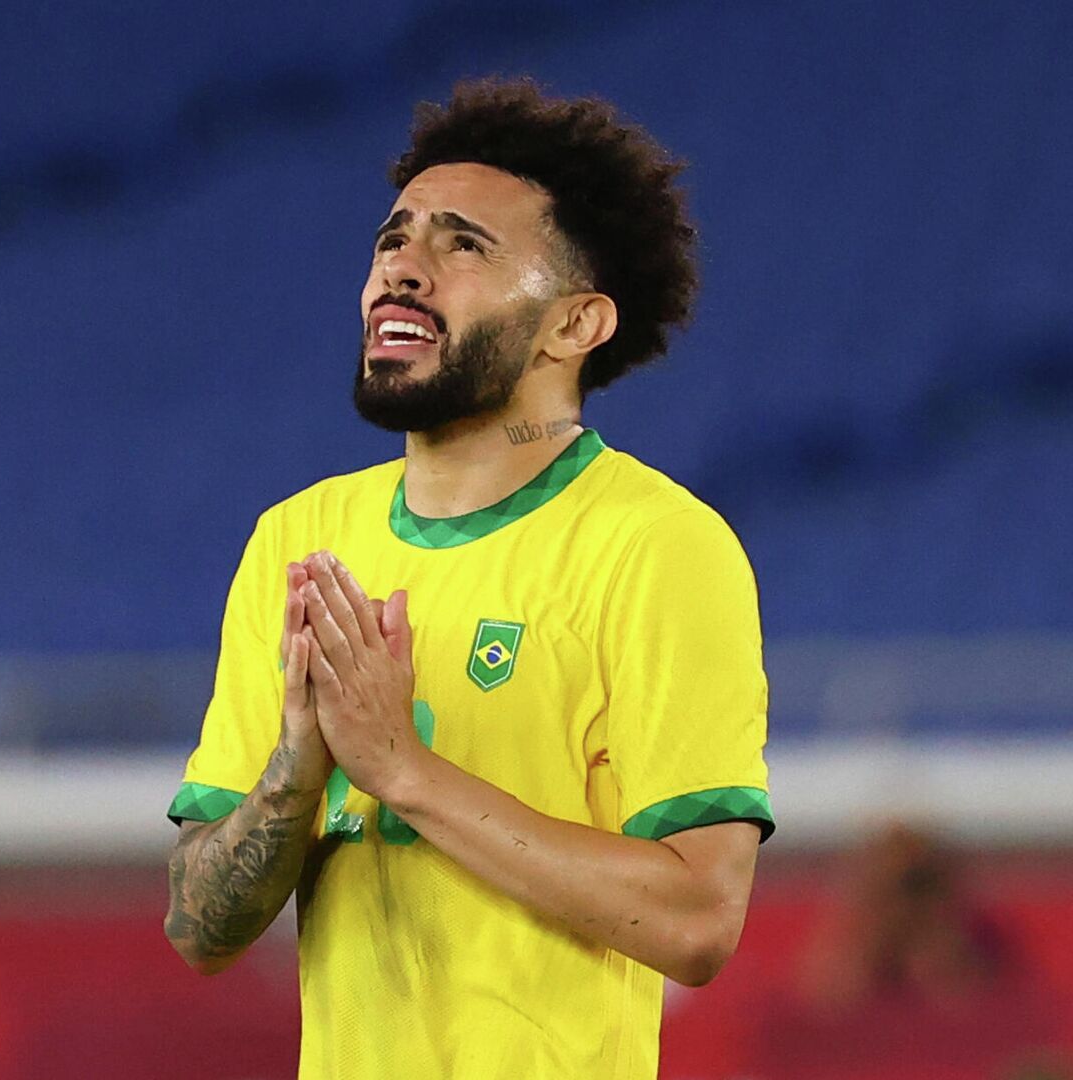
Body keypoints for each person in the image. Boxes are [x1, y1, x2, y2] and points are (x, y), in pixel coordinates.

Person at [163, 79, 773, 1079]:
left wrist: (406, 773)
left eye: (462, 246)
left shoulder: (656, 546)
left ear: (573, 327)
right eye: (393, 239)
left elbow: (699, 918)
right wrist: (296, 771)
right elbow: (199, 926)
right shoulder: (302, 538)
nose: (404, 269)